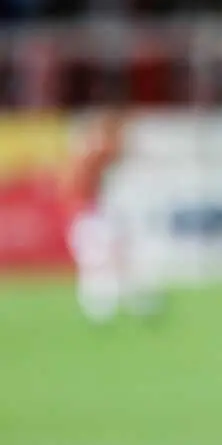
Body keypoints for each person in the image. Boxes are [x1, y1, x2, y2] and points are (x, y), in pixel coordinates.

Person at [63, 108, 155, 322]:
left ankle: (121, 304)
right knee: (101, 261)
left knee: (112, 259)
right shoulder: (96, 152)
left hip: (94, 213)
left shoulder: (88, 153)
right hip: (92, 215)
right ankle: (102, 306)